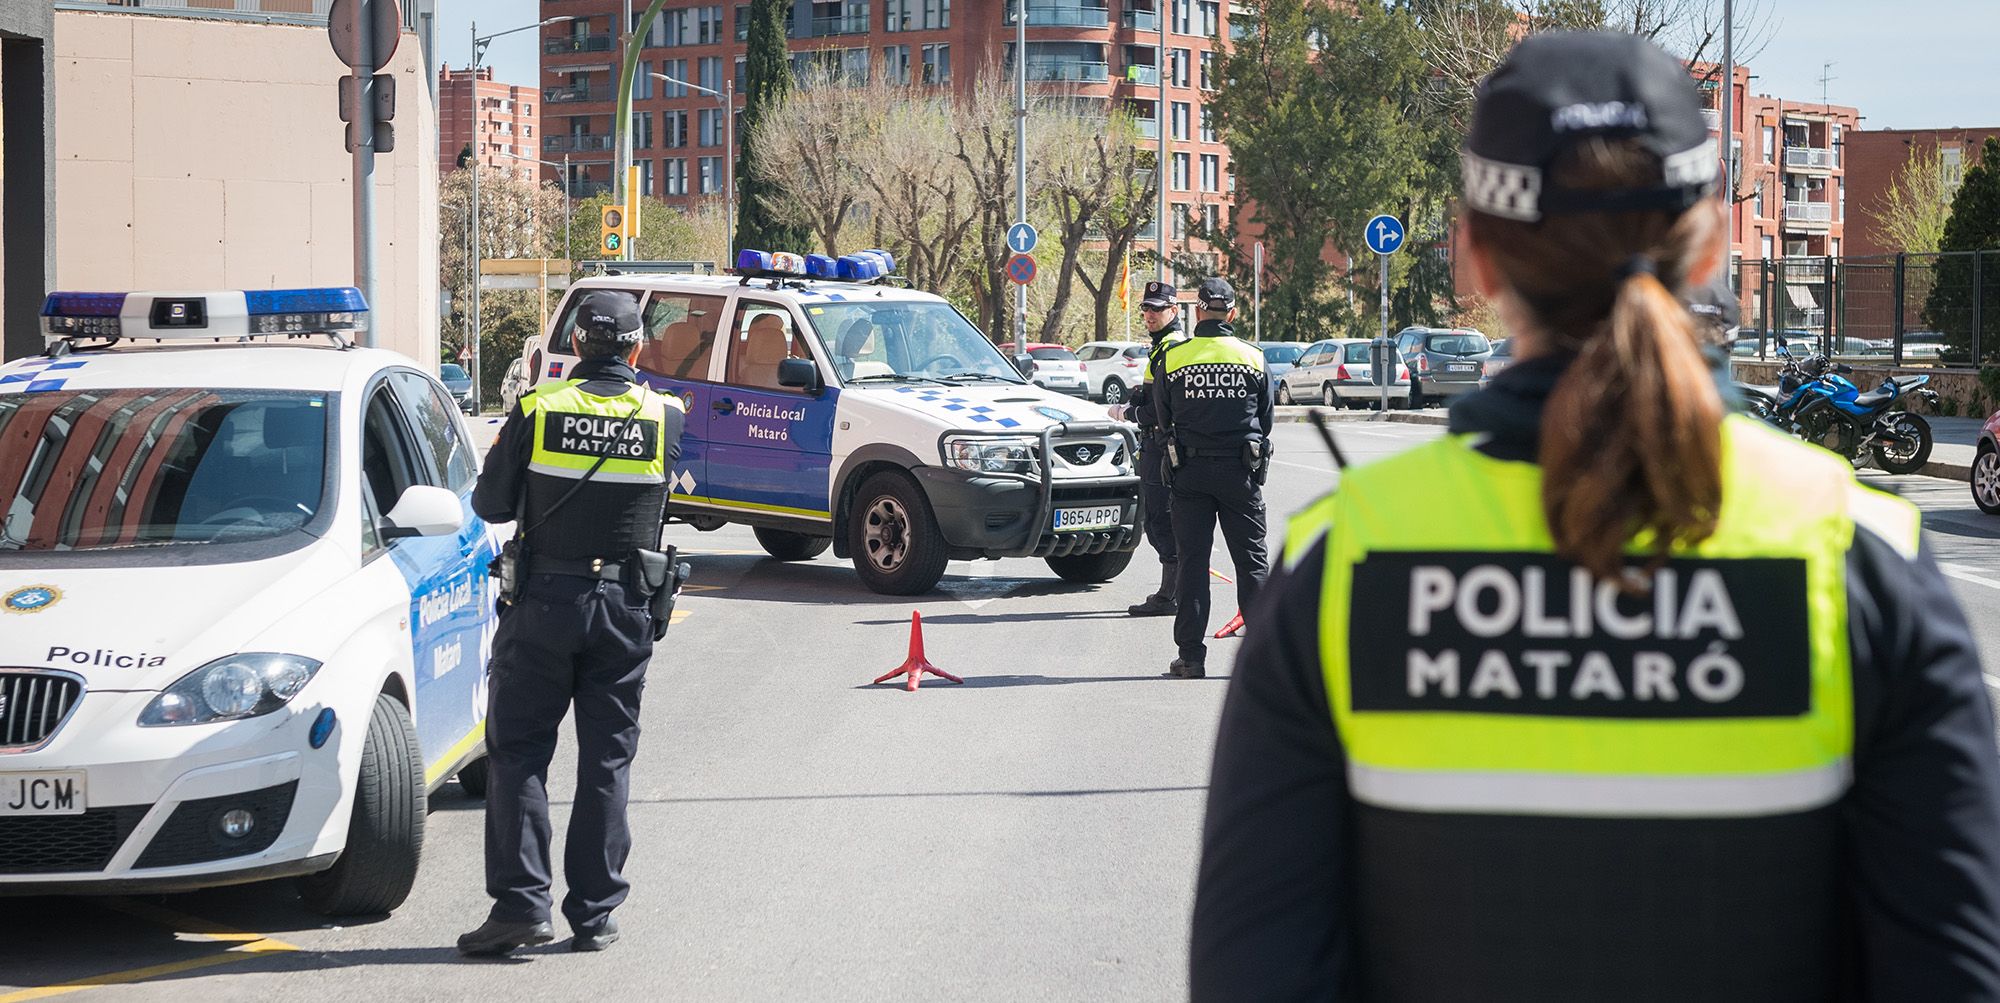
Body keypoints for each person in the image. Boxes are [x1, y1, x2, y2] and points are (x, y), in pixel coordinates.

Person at [1191, 32, 2000, 999]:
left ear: (1475, 253)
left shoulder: (1346, 561)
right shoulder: (1856, 557)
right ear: (1711, 241)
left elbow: (1257, 969)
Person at [459, 289, 688, 957]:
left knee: (521, 751)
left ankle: (521, 907)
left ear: (578, 346)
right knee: (607, 759)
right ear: (637, 348)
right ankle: (595, 914)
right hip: (624, 608)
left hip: (544, 603)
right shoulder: (665, 416)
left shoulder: (537, 408)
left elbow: (489, 503)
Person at [1153, 277, 1273, 678]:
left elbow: (1163, 418)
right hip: (1241, 472)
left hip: (1190, 473)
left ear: (1198, 312)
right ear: (1234, 314)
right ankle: (1261, 661)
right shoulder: (1254, 358)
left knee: (1192, 564)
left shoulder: (1174, 358)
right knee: (1252, 563)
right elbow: (1267, 420)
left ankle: (1190, 657)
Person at [1114, 280, 1189, 617]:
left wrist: (1127, 412)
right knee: (1160, 519)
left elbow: (1163, 407)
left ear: (1174, 310)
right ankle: (1172, 590)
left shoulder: (1171, 346)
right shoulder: (1161, 346)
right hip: (1158, 444)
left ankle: (1170, 594)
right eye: (1146, 307)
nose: (1149, 314)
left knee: (1161, 520)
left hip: (1161, 445)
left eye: (1157, 309)